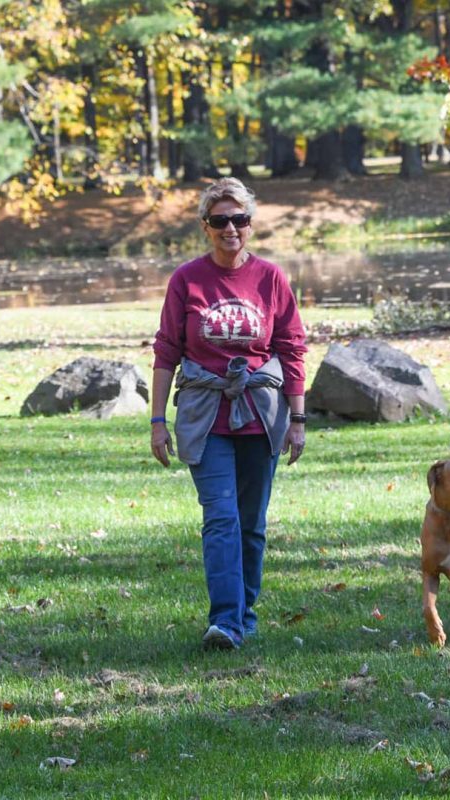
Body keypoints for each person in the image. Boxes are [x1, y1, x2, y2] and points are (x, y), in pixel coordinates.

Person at [150, 178, 308, 651]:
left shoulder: (271, 279)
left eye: (239, 219)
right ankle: (225, 620)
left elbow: (292, 348)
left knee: (251, 522)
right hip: (205, 413)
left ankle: (244, 612)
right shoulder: (187, 280)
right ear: (206, 227)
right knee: (221, 518)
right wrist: (157, 421)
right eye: (220, 221)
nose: (230, 229)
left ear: (250, 225)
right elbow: (165, 352)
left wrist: (298, 420)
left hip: (261, 413)